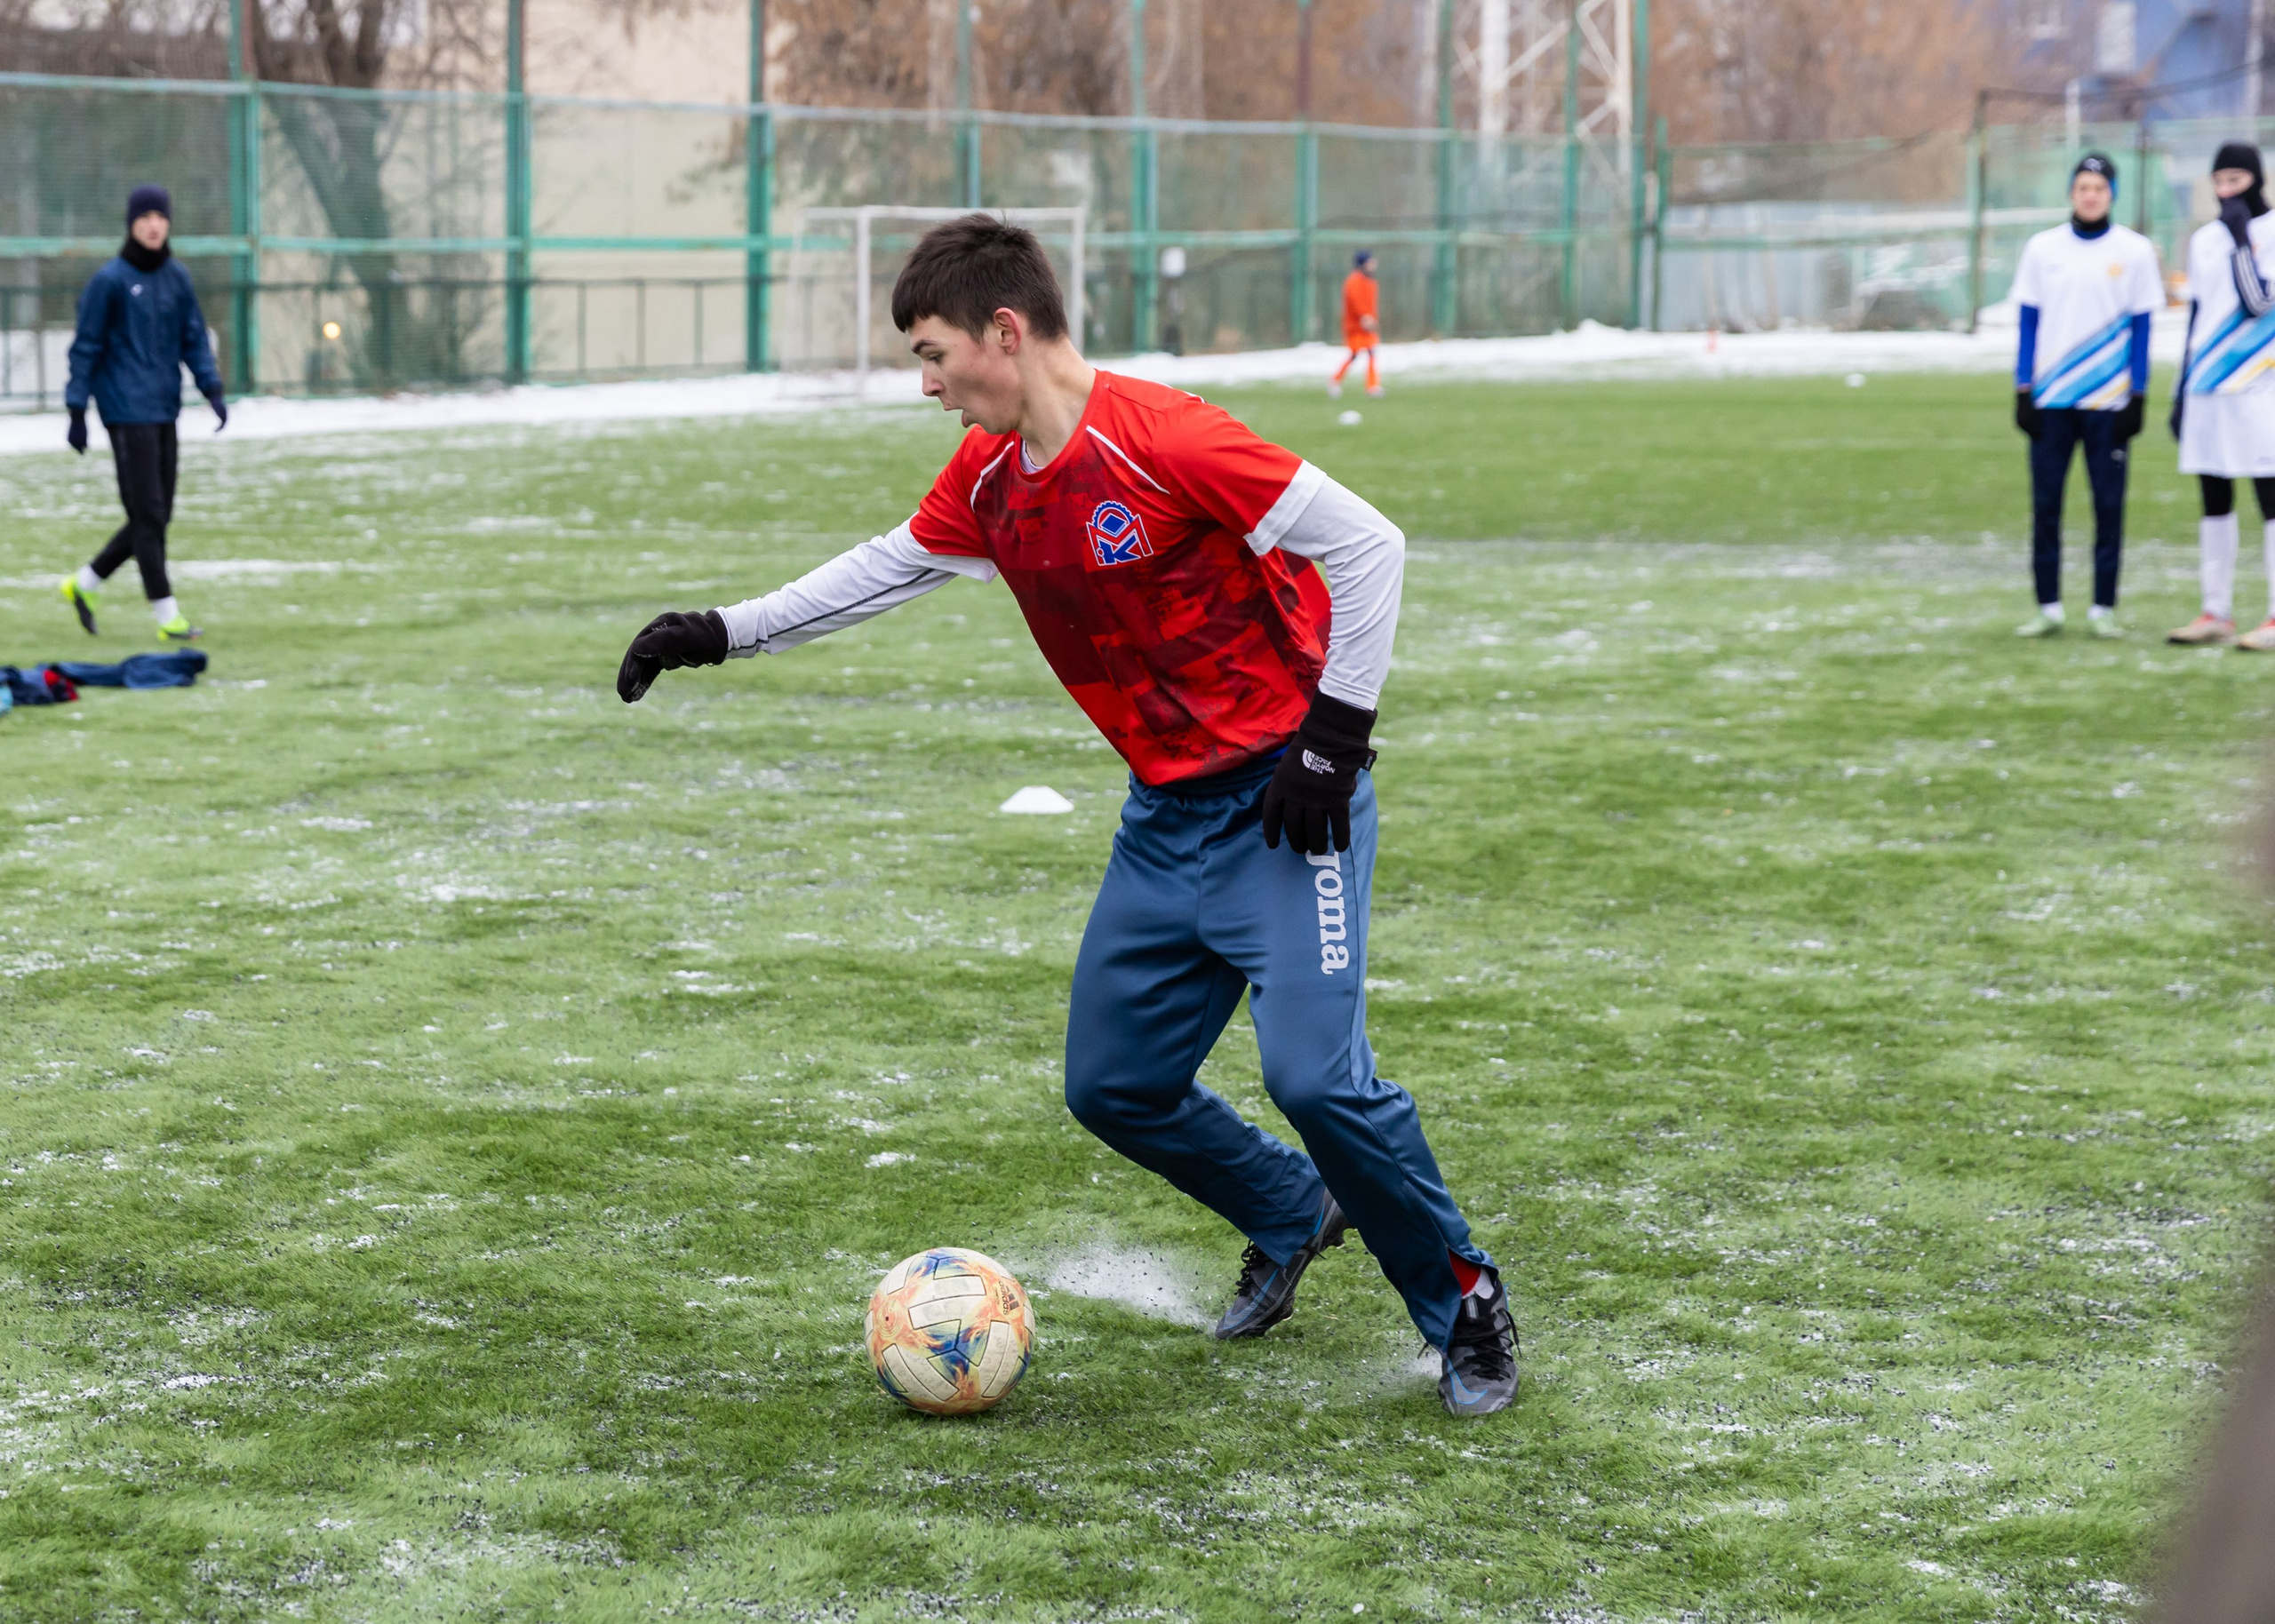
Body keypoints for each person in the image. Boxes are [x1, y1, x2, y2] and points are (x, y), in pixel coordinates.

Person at [617, 215, 1517, 1417]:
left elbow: (1368, 545)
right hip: (1164, 820)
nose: (927, 385)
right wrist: (722, 632)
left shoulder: (1166, 439)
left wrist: (1332, 740)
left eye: (934, 355)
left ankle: (1463, 1302)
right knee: (1113, 1083)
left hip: (1287, 808)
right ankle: (1290, 1208)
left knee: (1317, 1081)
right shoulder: (989, 479)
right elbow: (883, 568)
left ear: (1005, 330)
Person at [56, 183, 227, 644]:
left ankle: (85, 582)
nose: (154, 225)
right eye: (145, 217)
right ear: (132, 224)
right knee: (148, 513)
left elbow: (193, 337)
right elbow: (85, 347)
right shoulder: (109, 281)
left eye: (160, 217)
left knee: (155, 515)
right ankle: (167, 615)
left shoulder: (177, 277)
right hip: (124, 410)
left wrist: (211, 387)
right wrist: (76, 410)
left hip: (163, 406)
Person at [2008, 153, 2164, 640]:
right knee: (2046, 507)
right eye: (2082, 188)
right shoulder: (2042, 249)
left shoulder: (2135, 251)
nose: (2090, 195)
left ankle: (2102, 608)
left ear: (2111, 194)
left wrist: (2138, 396)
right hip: (2052, 401)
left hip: (2109, 404)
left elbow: (2143, 328)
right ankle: (2049, 607)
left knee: (2108, 508)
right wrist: (2023, 390)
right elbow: (2027, 323)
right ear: (2071, 194)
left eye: (2099, 188)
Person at [2167, 143, 2275, 649]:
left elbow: (2258, 302)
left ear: (2257, 180)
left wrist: (2240, 242)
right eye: (2220, 181)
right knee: (2213, 497)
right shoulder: (2203, 239)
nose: (2227, 191)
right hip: (2207, 387)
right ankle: (2216, 611)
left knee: (2269, 497)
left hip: (2258, 387)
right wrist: (2180, 392)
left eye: (2237, 180)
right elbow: (2196, 317)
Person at [1329, 251, 1381, 400]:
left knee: (1371, 352)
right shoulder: (1353, 281)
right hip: (1355, 326)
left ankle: (1372, 386)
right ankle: (1335, 380)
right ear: (1364, 264)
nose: (1374, 264)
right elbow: (1355, 301)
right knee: (1354, 355)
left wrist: (1372, 319)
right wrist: (1365, 316)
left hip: (1367, 326)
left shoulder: (1370, 282)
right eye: (1371, 262)